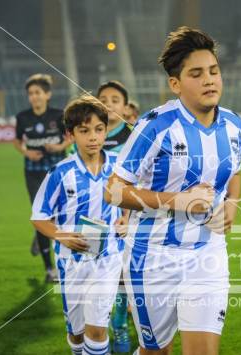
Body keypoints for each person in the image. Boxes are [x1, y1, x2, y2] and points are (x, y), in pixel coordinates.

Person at [105, 26, 241, 355]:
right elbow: (113, 191)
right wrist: (178, 202)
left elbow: (235, 169)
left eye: (213, 71)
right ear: (175, 84)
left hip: (208, 254)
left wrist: (232, 204)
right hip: (152, 257)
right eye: (196, 74)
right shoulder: (155, 125)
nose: (209, 80)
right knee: (157, 351)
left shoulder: (234, 125)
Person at [31, 95, 125, 355]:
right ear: (71, 135)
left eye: (98, 129)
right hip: (71, 261)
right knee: (77, 332)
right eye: (84, 131)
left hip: (108, 258)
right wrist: (60, 235)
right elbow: (39, 216)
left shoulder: (120, 168)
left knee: (97, 329)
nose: (93, 137)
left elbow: (133, 199)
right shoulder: (60, 173)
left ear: (106, 131)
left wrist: (126, 218)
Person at [13, 74, 70, 283]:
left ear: (47, 94)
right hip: (33, 172)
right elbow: (17, 141)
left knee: (59, 215)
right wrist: (26, 152)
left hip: (57, 171)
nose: (34, 97)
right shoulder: (23, 117)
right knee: (41, 215)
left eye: (38, 93)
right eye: (31, 94)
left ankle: (41, 236)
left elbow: (71, 136)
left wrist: (59, 147)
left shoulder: (59, 115)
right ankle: (49, 269)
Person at [96, 80, 133, 352]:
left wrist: (127, 216)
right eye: (103, 99)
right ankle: (96, 332)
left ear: (125, 106)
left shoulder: (133, 136)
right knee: (92, 274)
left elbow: (138, 181)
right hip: (92, 218)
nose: (108, 103)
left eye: (115, 99)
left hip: (122, 218)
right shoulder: (87, 133)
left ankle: (119, 326)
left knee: (120, 276)